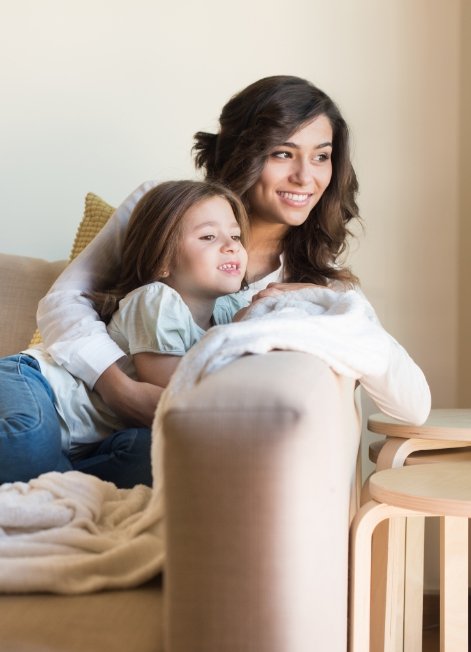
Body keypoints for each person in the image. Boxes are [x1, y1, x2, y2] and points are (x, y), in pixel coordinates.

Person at [0, 180, 249, 487]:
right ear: (162, 260)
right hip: (37, 384)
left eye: (235, 235)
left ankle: (54, 477)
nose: (231, 245)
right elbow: (170, 386)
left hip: (87, 439)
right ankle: (42, 468)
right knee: (29, 437)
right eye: (209, 236)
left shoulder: (227, 309)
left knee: (148, 456)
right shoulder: (156, 300)